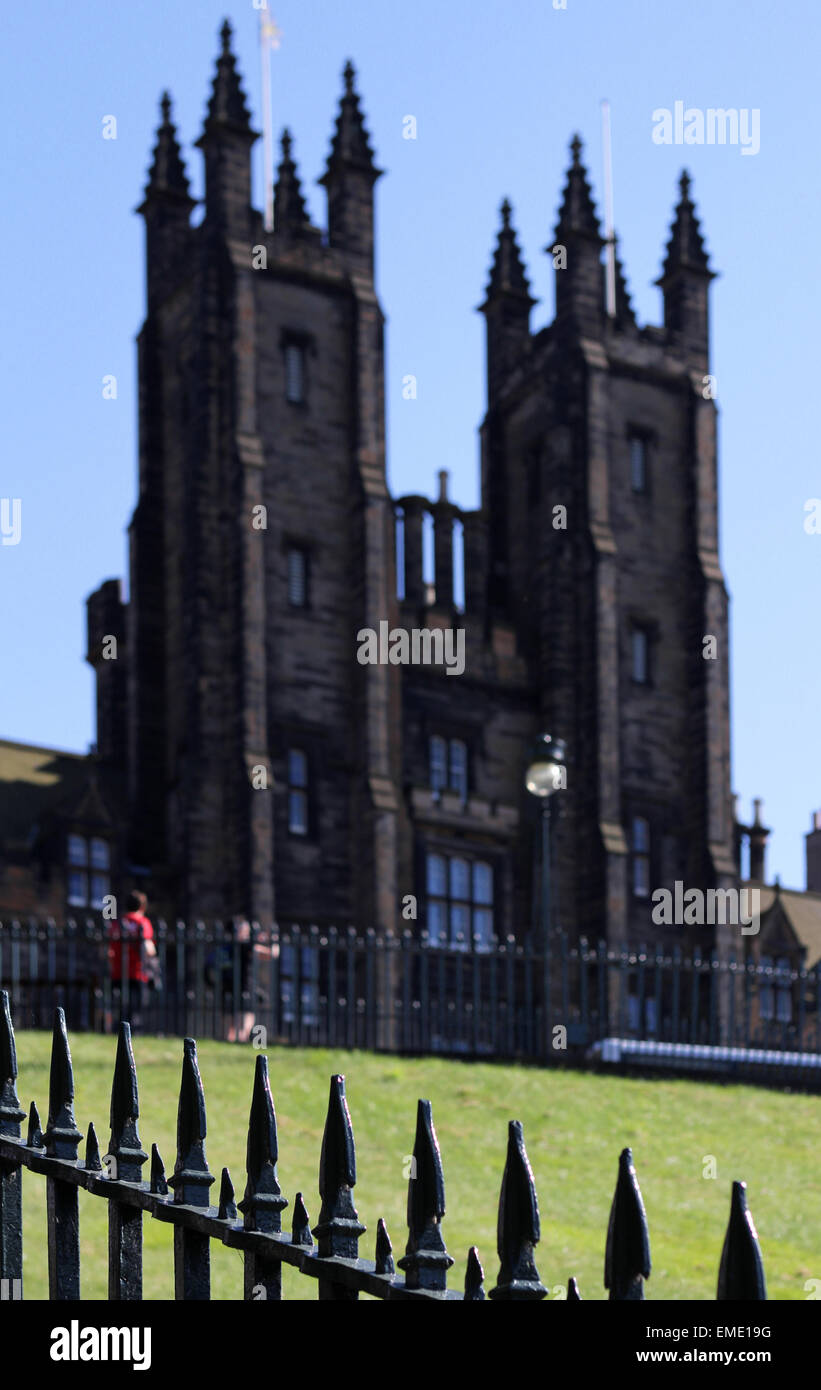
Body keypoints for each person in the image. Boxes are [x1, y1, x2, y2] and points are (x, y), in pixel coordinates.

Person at [108, 890, 157, 1030]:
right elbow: (149, 949)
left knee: (120, 1008)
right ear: (142, 907)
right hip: (138, 972)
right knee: (136, 1010)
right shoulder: (142, 922)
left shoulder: (117, 923)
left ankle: (118, 1031)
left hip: (119, 971)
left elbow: (109, 950)